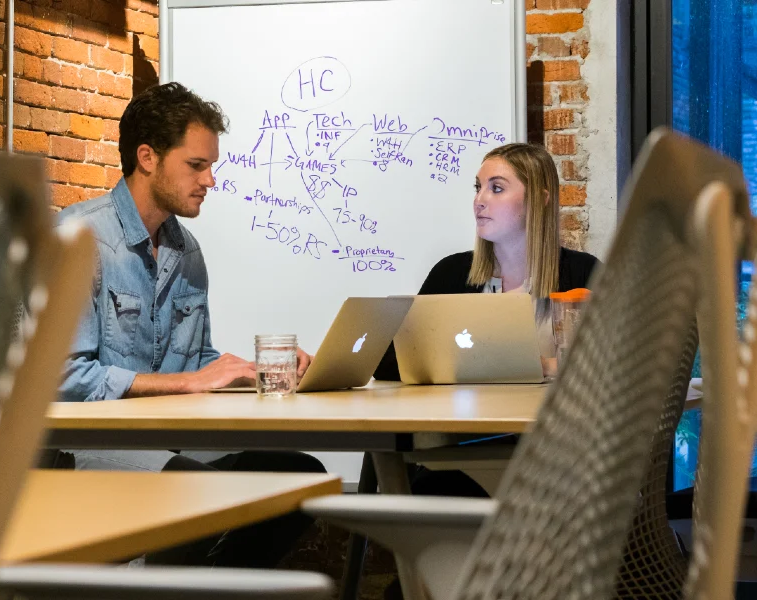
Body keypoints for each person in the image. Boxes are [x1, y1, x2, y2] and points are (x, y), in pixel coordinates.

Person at [55, 82, 325, 568]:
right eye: (197, 166)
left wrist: (262, 370)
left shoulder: (187, 251)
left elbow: (196, 360)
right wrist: (191, 380)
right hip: (86, 451)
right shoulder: (78, 238)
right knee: (203, 495)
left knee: (299, 477)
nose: (210, 181)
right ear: (147, 157)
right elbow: (63, 379)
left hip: (164, 445)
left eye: (211, 166)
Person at [374, 142, 599, 600]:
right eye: (478, 188)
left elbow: (609, 366)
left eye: (497, 188)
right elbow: (391, 362)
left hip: (550, 459)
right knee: (436, 493)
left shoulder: (581, 274)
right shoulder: (454, 275)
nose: (480, 199)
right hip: (458, 452)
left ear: (540, 197)